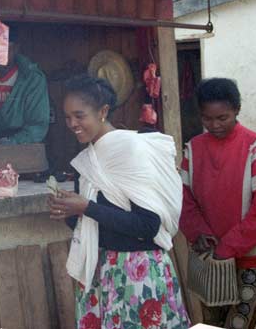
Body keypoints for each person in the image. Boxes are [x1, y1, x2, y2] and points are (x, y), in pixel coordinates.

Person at [49, 74, 190, 329]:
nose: (72, 123)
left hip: (138, 273)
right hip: (103, 271)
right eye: (67, 117)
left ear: (103, 111)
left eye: (79, 116)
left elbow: (148, 225)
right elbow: (98, 225)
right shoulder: (88, 160)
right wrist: (71, 213)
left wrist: (87, 207)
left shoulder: (129, 151)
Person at [179, 78, 256, 328]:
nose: (214, 125)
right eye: (207, 118)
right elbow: (183, 199)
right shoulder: (193, 149)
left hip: (250, 258)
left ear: (236, 109)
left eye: (222, 118)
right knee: (212, 324)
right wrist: (197, 232)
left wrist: (229, 245)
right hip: (209, 256)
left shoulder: (254, 147)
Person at [0, 38, 50, 145]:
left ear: (16, 48)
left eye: (5, 49)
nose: (0, 57)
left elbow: (38, 126)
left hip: (23, 148)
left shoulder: (32, 78)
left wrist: (11, 142)